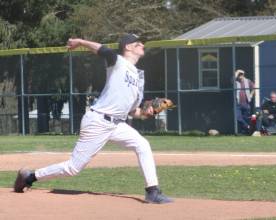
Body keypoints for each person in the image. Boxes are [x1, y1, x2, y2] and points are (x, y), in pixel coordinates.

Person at [13, 34, 172, 204]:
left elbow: (134, 112)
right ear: (128, 47)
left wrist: (149, 112)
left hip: (117, 124)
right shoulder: (118, 62)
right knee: (73, 168)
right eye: (138, 42)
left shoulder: (138, 78)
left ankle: (152, 191)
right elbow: (103, 50)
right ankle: (29, 176)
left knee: (142, 145)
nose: (142, 44)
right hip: (98, 121)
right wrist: (80, 42)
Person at [235, 69, 255, 134]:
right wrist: (237, 73)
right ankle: (248, 127)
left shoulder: (248, 81)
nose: (240, 76)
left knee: (246, 118)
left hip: (246, 103)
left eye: (241, 75)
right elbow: (232, 79)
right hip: (238, 103)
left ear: (243, 75)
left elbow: (253, 88)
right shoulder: (235, 81)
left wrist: (251, 95)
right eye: (239, 75)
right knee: (238, 117)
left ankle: (245, 132)